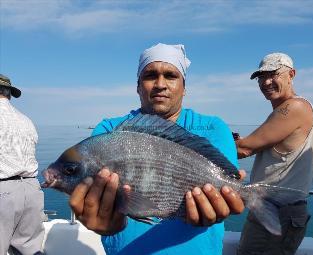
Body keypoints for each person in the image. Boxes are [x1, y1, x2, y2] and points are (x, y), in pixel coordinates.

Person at [69, 43, 245, 255]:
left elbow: (227, 190)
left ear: (184, 87)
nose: (160, 84)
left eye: (170, 75)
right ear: (137, 86)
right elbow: (96, 199)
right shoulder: (109, 130)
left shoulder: (212, 128)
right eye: (150, 75)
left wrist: (229, 200)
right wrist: (97, 217)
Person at [236, 53, 313, 255]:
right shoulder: (283, 110)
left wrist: (210, 140)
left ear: (291, 74)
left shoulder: (294, 107)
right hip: (268, 209)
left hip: (280, 212)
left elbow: (244, 149)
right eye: (261, 77)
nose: (266, 82)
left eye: (273, 74)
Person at [0, 74, 45, 255]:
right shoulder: (26, 120)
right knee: (29, 250)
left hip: (3, 190)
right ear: (9, 94)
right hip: (31, 189)